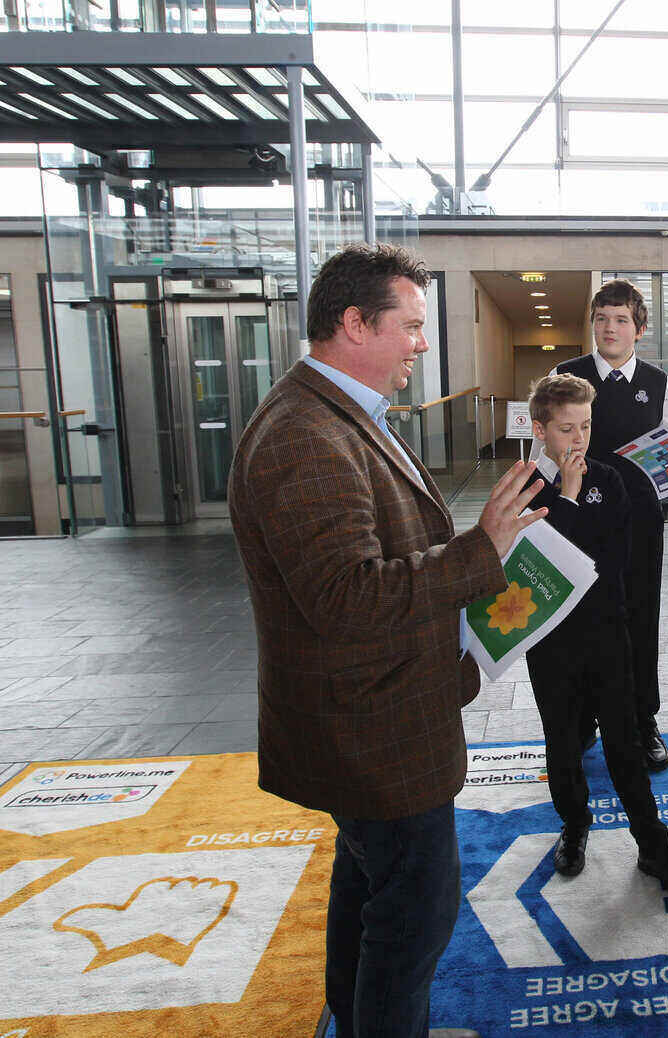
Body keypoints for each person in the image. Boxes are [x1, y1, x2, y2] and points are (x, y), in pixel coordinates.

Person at [228, 243, 551, 1038]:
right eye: (408, 325)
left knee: (369, 892)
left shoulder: (339, 414)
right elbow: (345, 597)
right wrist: (483, 551)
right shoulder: (305, 434)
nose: (421, 342)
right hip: (370, 733)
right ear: (352, 322)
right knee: (414, 916)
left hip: (377, 719)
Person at [522, 373, 668, 898]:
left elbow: (610, 563)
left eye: (586, 426)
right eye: (565, 428)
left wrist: (575, 511)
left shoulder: (611, 478)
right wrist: (570, 502)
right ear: (539, 429)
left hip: (605, 634)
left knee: (625, 745)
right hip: (550, 641)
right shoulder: (523, 485)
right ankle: (574, 826)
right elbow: (536, 570)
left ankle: (654, 848)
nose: (578, 439)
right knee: (563, 742)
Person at [554, 279, 668, 773]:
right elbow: (543, 454)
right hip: (581, 522)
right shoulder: (566, 375)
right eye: (601, 319)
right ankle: (581, 720)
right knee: (578, 623)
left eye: (621, 320)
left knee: (639, 619)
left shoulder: (658, 383)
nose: (609, 328)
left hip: (640, 524)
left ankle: (643, 719)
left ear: (639, 329)